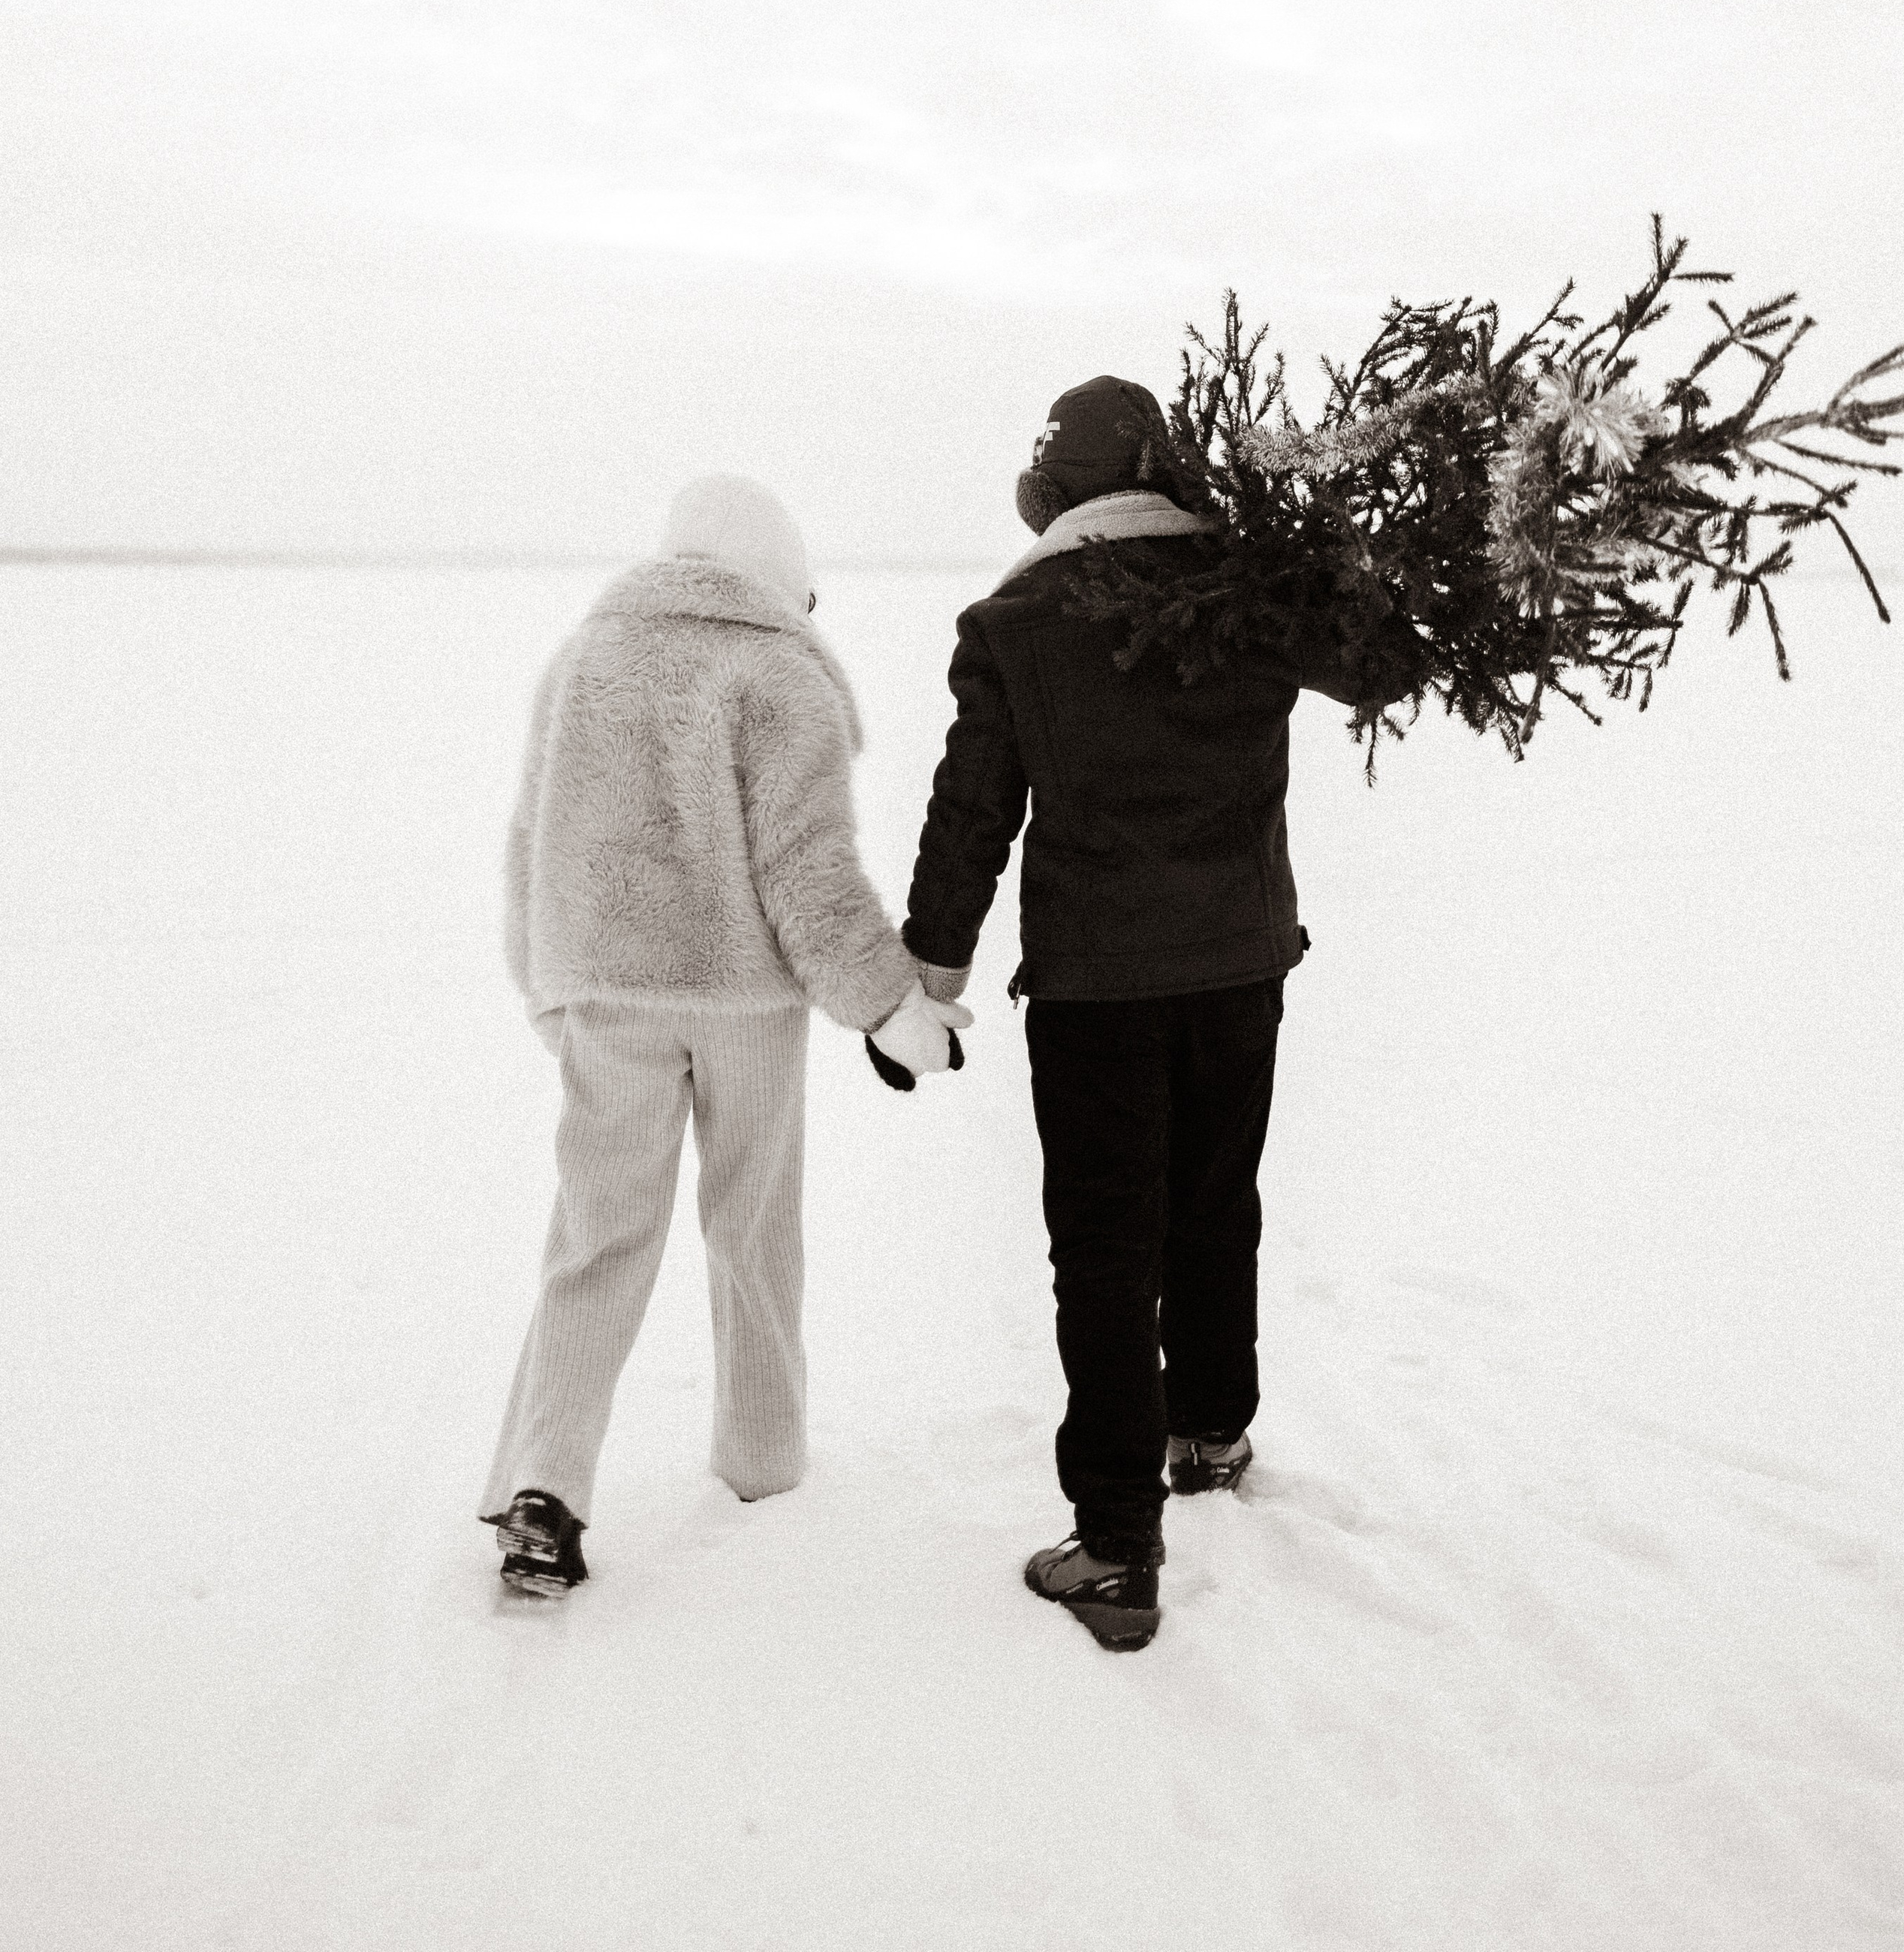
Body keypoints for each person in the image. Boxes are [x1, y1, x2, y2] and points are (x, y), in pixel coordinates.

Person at [902, 376, 1380, 1652]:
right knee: (1217, 1204)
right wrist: (1329, 551)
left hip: (1097, 991)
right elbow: (1384, 664)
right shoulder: (1248, 590)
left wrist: (927, 975)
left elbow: (972, 814)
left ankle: (1115, 1548)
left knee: (1107, 1254)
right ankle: (1211, 1432)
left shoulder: (1017, 618)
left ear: (1053, 491)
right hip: (1239, 968)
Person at [480, 473, 971, 1598]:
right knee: (752, 1228)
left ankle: (544, 1489)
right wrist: (889, 1007)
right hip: (745, 1002)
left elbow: (530, 842)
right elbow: (809, 872)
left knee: (598, 1241)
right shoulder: (778, 670)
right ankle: (762, 1469)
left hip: (609, 995)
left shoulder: (583, 661)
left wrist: (547, 986)